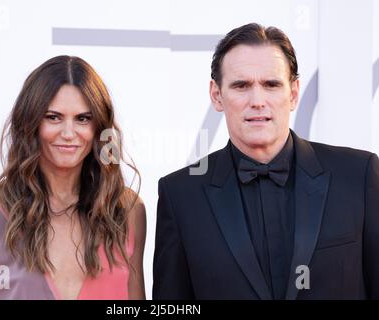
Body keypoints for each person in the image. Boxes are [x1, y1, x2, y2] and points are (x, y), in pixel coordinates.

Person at [153, 23, 379, 299]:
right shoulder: (180, 195)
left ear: (293, 93)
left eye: (271, 85)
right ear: (216, 95)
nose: (257, 100)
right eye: (241, 85)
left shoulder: (358, 175)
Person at [0, 55, 146, 300]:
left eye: (83, 119)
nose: (68, 133)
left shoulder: (126, 209)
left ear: (99, 128)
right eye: (53, 117)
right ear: (30, 122)